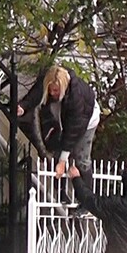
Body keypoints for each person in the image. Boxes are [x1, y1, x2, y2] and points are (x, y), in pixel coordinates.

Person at [18, 65, 100, 216]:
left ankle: (87, 203)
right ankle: (61, 192)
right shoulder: (49, 79)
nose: (51, 93)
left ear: (63, 86)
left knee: (81, 158)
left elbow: (73, 131)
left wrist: (63, 160)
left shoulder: (78, 96)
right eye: (50, 90)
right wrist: (23, 106)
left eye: (55, 90)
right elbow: (36, 94)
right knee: (57, 149)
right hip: (62, 115)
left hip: (86, 121)